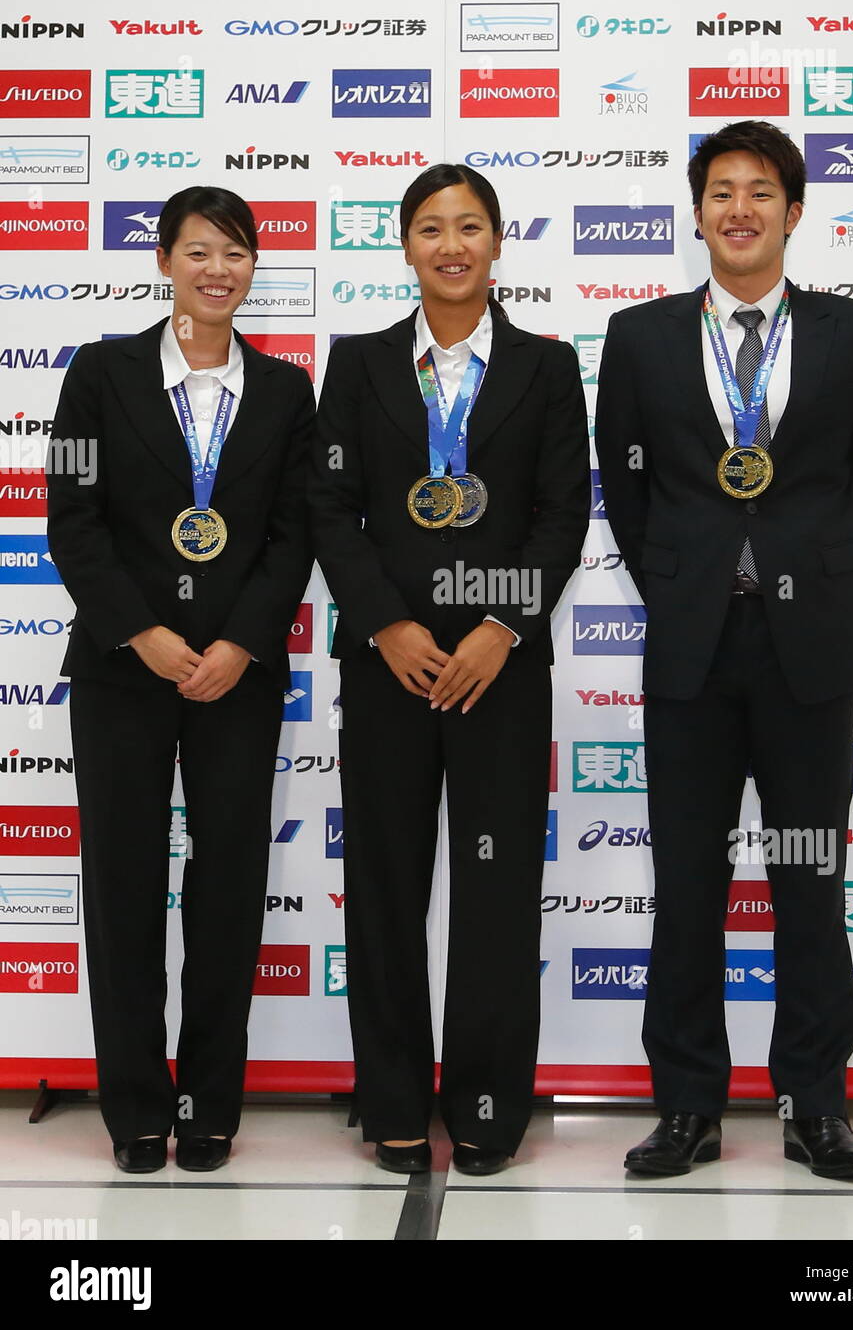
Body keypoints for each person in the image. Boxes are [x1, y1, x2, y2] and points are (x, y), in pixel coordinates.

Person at [595, 121, 853, 1181]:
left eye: (761, 191)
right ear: (696, 214)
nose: (740, 208)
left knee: (807, 882)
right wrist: (688, 583)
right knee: (687, 884)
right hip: (691, 650)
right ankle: (686, 1105)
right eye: (721, 191)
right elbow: (628, 495)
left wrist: (809, 574)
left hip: (807, 649)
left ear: (793, 210)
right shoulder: (638, 337)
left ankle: (816, 1103)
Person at [309, 164, 590, 1176]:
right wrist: (384, 622)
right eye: (431, 227)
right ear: (406, 244)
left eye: (470, 226)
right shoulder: (361, 363)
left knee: (496, 888)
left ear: (498, 243)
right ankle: (390, 1098)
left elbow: (564, 514)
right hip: (388, 665)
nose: (452, 244)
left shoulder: (547, 368)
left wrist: (499, 626)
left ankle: (483, 1101)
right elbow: (330, 509)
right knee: (383, 884)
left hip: (497, 669)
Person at [46, 186, 314, 1174]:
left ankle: (208, 1102)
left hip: (237, 676)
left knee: (228, 885)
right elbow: (69, 517)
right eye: (199, 250)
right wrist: (146, 634)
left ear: (252, 268)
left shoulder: (286, 392)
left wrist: (241, 642)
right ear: (164, 260)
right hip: (123, 671)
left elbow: (294, 535)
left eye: (236, 253)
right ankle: (135, 1108)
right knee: (123, 884)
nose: (218, 269)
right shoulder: (98, 374)